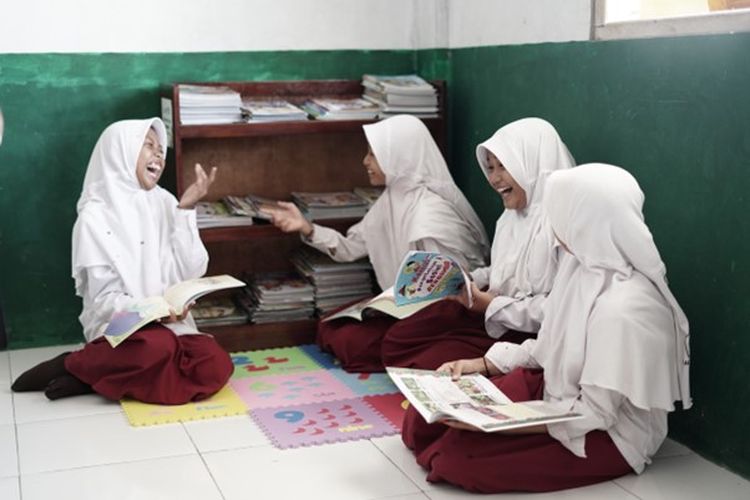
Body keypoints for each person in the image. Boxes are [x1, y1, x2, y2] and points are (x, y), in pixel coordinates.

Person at [401, 164, 692, 493]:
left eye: (560, 215)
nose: (554, 229)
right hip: (558, 391)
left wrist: (502, 425)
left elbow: (595, 415)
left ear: (585, 220)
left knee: (455, 460)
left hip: (606, 433)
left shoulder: (624, 310)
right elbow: (547, 346)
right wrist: (480, 365)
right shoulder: (579, 266)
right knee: (423, 422)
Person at [11, 118, 233, 404]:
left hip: (169, 325)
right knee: (157, 348)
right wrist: (153, 312)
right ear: (121, 151)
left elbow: (191, 270)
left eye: (160, 150)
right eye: (148, 146)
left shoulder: (165, 201)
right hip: (121, 326)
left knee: (214, 362)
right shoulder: (94, 215)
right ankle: (71, 363)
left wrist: (185, 210)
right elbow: (103, 301)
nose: (158, 156)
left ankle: (89, 376)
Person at [270, 114, 490, 372]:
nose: (365, 161)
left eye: (373, 154)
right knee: (331, 326)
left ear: (399, 156)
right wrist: (307, 228)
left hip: (442, 315)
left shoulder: (430, 213)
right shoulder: (391, 199)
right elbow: (350, 247)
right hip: (403, 309)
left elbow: (450, 291)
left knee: (372, 345)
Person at [382, 117, 575, 370]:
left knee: (426, 358)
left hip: (530, 338)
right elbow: (501, 271)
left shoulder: (563, 228)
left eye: (503, 166)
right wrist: (465, 279)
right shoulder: (510, 218)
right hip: (494, 316)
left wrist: (492, 305)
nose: (494, 179)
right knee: (401, 337)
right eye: (490, 167)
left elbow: (560, 310)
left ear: (531, 165)